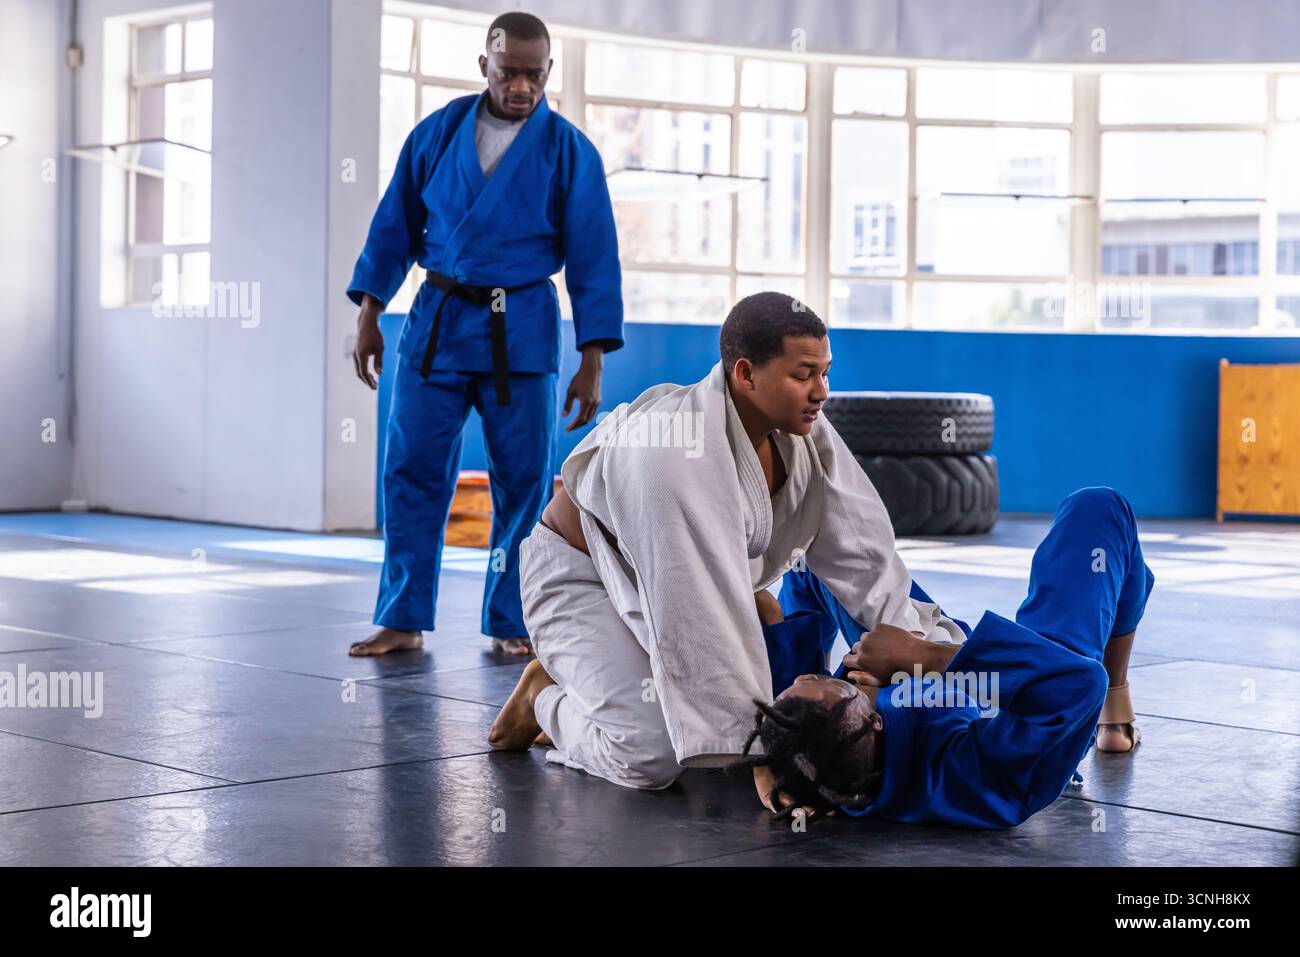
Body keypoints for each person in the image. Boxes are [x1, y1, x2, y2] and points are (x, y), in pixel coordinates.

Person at [488, 292, 964, 789]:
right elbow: (696, 606)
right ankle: (542, 702)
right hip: (581, 582)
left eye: (825, 372)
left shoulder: (807, 435)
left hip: (667, 577)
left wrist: (921, 652)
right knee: (652, 756)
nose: (820, 391)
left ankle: (608, 689)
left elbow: (863, 551)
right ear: (745, 374)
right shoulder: (671, 452)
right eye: (803, 375)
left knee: (759, 692)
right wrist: (761, 760)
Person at [347, 12, 623, 658]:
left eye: (533, 74)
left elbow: (593, 256)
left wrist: (592, 359)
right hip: (437, 321)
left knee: (524, 482)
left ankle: (511, 618)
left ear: (548, 72)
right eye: (508, 72)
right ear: (484, 67)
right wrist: (368, 313)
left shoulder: (569, 151)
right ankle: (402, 614)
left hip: (520, 327)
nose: (521, 86)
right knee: (409, 469)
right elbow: (394, 226)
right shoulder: (437, 134)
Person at [740, 486, 1154, 829]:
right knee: (1098, 509)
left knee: (814, 551)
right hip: (1024, 690)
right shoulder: (978, 774)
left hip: (911, 683)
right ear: (874, 719)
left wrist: (767, 761)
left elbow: (804, 735)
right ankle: (1115, 718)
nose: (811, 678)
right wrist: (925, 656)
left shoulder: (833, 759)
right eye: (837, 684)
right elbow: (1077, 686)